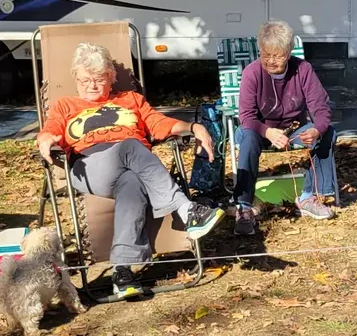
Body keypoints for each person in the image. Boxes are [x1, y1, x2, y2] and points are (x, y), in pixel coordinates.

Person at [36, 43, 224, 299]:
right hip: (90, 165)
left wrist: (194, 128)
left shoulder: (131, 99)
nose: (91, 85)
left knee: (132, 182)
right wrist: (46, 139)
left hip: (132, 165)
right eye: (85, 80)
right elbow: (52, 128)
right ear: (76, 79)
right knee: (130, 146)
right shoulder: (66, 104)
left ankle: (122, 272)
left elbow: (158, 124)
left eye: (99, 79)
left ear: (111, 78)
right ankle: (186, 209)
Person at [234, 21, 337, 234]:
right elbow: (246, 116)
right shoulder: (252, 73)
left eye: (278, 56)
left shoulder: (303, 70)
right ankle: (243, 206)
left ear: (289, 52)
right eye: (266, 55)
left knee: (328, 132)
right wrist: (267, 131)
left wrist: (316, 129)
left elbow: (321, 108)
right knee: (248, 136)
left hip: (293, 128)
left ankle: (310, 196)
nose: (271, 61)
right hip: (259, 129)